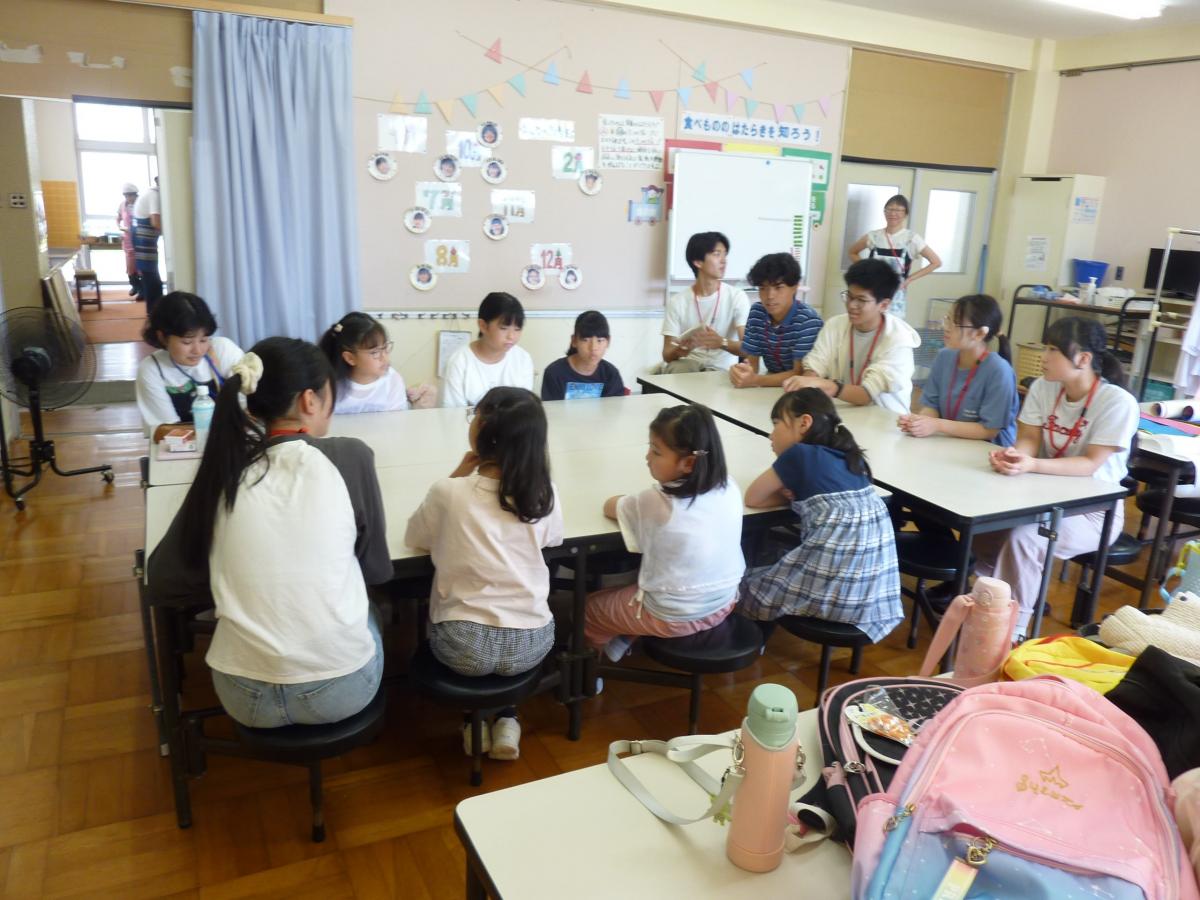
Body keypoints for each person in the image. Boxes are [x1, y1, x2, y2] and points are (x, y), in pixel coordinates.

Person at [147, 338, 390, 728]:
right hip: (340, 692)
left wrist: (241, 578)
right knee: (372, 609)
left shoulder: (225, 468)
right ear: (309, 401)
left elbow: (163, 579)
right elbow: (376, 569)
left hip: (243, 696)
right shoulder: (350, 456)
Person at [405, 387, 562, 759]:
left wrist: (458, 475)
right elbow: (553, 538)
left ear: (481, 431)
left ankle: (472, 721)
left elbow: (416, 537)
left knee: (464, 643)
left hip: (463, 644)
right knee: (505, 658)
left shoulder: (449, 492)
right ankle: (507, 718)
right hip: (531, 641)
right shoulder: (544, 493)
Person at [973, 317, 1139, 639]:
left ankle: (1011, 631)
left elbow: (1090, 464)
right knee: (985, 527)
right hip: (1043, 494)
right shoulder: (1043, 387)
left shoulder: (1117, 402)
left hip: (1095, 510)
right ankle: (997, 600)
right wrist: (1015, 457)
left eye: (1053, 350)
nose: (1044, 356)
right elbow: (1028, 439)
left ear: (1083, 359)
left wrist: (1030, 464)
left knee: (1025, 538)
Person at [584, 404, 745, 662]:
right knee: (650, 576)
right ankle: (624, 638)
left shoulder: (657, 502)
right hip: (725, 602)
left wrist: (632, 500)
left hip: (675, 615)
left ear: (689, 463)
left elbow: (610, 506)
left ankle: (590, 670)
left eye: (656, 451)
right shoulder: (729, 485)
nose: (647, 457)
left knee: (589, 609)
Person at [738, 388, 902, 639]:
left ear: (804, 423)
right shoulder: (852, 458)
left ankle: (752, 639)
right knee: (778, 557)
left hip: (834, 595)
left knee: (740, 586)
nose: (771, 435)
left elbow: (754, 497)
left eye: (776, 424)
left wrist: (786, 493)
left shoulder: (799, 454)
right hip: (874, 599)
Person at [782, 259, 920, 415]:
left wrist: (830, 386)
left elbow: (866, 394)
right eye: (849, 296)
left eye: (861, 300)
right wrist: (809, 381)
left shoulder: (898, 340)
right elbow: (815, 365)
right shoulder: (835, 325)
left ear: (884, 305)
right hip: (844, 413)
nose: (851, 305)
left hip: (885, 419)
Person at [898, 294, 1019, 446]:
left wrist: (937, 425)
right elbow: (932, 405)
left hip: (989, 450)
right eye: (948, 319)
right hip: (950, 442)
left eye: (955, 323)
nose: (946, 327)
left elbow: (989, 430)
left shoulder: (999, 371)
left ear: (979, 333)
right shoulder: (944, 357)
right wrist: (919, 423)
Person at [136, 291, 245, 440]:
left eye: (204, 339)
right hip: (179, 448)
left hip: (230, 442)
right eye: (187, 342)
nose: (198, 350)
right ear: (163, 337)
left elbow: (247, 406)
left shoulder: (223, 350)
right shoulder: (153, 369)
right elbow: (165, 431)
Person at [729, 253, 822, 389]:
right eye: (763, 288)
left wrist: (756, 380)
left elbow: (800, 373)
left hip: (803, 390)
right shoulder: (757, 313)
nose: (770, 296)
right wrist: (742, 373)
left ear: (794, 287)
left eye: (778, 287)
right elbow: (752, 363)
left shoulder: (807, 321)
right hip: (772, 386)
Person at [660, 231, 750, 373]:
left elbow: (749, 348)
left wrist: (722, 342)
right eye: (717, 254)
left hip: (721, 370)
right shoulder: (677, 301)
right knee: (678, 369)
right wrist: (679, 351)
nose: (724, 260)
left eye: (725, 254)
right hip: (688, 366)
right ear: (698, 262)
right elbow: (667, 354)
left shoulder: (737, 297)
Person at [846, 194, 942, 319]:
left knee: (892, 325)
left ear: (905, 214)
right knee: (870, 320)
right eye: (889, 209)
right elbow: (852, 252)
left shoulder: (911, 238)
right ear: (884, 212)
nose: (893, 213)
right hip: (872, 290)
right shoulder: (874, 236)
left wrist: (909, 279)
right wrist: (866, 270)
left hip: (896, 295)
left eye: (898, 210)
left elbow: (936, 262)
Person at [319, 311, 436, 413]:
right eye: (375, 353)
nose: (385, 358)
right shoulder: (330, 386)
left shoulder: (392, 380)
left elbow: (397, 423)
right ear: (350, 358)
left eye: (385, 348)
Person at [441, 292, 535, 407]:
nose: (511, 336)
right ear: (483, 326)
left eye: (517, 329)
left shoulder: (523, 359)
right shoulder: (459, 361)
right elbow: (453, 413)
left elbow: (524, 408)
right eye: (503, 328)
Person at [540, 311, 626, 401]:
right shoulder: (554, 373)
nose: (593, 348)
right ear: (574, 341)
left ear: (608, 342)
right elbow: (551, 409)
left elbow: (614, 408)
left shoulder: (611, 374)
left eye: (600, 340)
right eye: (585, 340)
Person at [133, 175, 163, 312]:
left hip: (143, 236)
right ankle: (154, 313)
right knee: (152, 279)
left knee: (151, 277)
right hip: (144, 238)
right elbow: (155, 222)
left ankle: (155, 311)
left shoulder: (152, 193)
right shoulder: (154, 195)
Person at [115, 183, 140, 297]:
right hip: (128, 239)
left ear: (135, 195)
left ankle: (142, 290)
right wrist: (120, 227)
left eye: (130, 195)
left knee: (140, 266)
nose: (128, 198)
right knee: (130, 265)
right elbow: (118, 218)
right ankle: (135, 285)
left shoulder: (140, 204)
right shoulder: (122, 205)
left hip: (140, 237)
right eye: (126, 196)